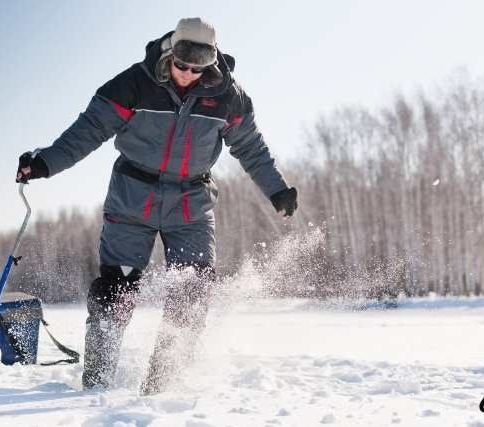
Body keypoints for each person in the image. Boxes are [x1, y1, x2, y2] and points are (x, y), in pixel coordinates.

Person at [16, 17, 298, 394]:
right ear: (171, 52)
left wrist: (277, 190)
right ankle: (97, 383)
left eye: (198, 69)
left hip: (191, 204)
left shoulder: (229, 96)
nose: (187, 75)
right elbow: (89, 130)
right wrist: (45, 162)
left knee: (193, 291)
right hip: (133, 197)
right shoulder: (135, 83)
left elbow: (249, 146)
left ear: (210, 63)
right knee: (113, 292)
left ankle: (162, 384)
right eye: (182, 65)